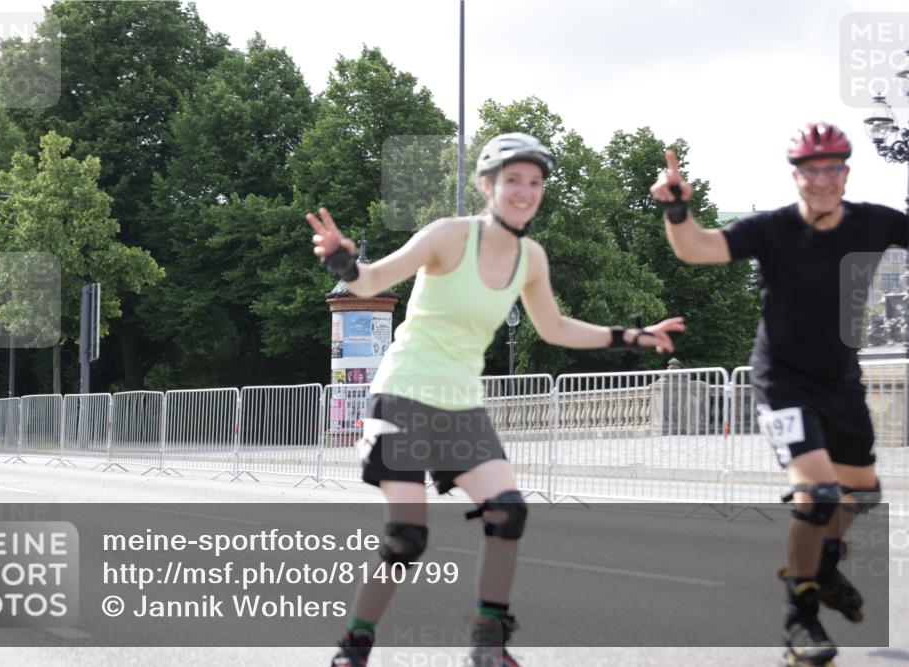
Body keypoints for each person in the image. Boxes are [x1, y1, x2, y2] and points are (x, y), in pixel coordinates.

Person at [307, 132, 685, 667]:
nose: (525, 191)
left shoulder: (531, 258)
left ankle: (487, 646)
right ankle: (355, 645)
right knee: (407, 536)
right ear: (488, 186)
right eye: (513, 180)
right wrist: (345, 263)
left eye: (535, 182)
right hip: (404, 393)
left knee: (507, 511)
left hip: (460, 405)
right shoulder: (448, 236)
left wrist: (631, 336)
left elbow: (554, 327)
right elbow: (371, 279)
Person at [650, 122, 908, 666]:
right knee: (817, 496)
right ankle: (800, 620)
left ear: (845, 173)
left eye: (832, 168)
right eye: (810, 171)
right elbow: (697, 248)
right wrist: (676, 209)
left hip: (840, 379)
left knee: (862, 492)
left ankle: (823, 563)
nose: (822, 180)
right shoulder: (772, 229)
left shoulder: (875, 222)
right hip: (782, 380)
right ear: (796, 177)